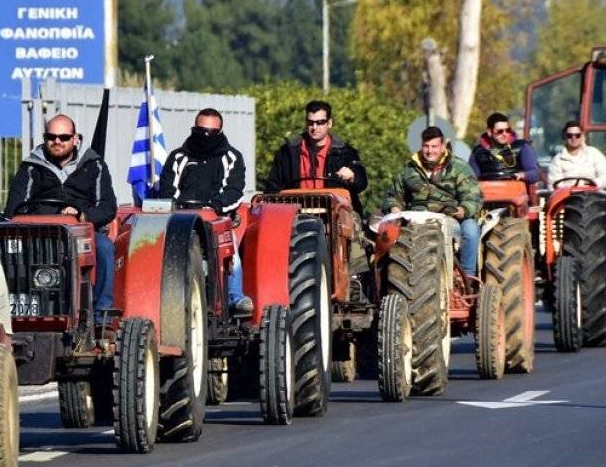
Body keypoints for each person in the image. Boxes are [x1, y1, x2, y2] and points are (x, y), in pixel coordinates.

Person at [4, 114, 117, 318]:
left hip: (81, 233)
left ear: (75, 139)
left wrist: (83, 215)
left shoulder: (94, 165)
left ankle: (102, 315)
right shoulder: (30, 167)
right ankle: (14, 309)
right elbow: (14, 209)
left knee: (104, 247)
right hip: (39, 233)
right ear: (45, 138)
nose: (57, 141)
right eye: (51, 136)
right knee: (8, 250)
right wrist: (47, 214)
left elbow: (107, 208)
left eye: (64, 137)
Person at [160, 108, 254, 316]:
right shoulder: (178, 157)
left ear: (220, 133)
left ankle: (234, 297)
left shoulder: (231, 158)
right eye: (200, 131)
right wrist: (179, 206)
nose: (205, 138)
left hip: (217, 221)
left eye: (211, 133)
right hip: (181, 221)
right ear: (193, 129)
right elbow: (167, 189)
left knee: (231, 252)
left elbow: (233, 191)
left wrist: (213, 207)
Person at [264, 99, 370, 275]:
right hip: (297, 214)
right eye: (310, 122)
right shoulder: (288, 151)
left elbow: (361, 181)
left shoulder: (344, 151)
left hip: (333, 213)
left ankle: (355, 277)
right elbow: (272, 186)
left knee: (353, 224)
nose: (315, 127)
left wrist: (351, 176)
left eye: (320, 122)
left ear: (329, 123)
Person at [384, 126, 482, 276]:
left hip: (451, 216)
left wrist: (462, 210)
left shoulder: (459, 167)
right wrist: (395, 210)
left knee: (471, 230)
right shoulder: (409, 169)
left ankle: (468, 276)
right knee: (385, 229)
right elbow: (394, 196)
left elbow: (472, 197)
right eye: (426, 146)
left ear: (443, 146)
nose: (430, 151)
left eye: (434, 146)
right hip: (416, 218)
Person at [468, 112, 540, 184]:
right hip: (487, 192)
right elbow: (471, 178)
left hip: (515, 191)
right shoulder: (478, 152)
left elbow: (534, 174)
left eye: (507, 130)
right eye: (500, 131)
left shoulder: (522, 147)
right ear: (490, 132)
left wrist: (524, 175)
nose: (505, 134)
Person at [547, 120, 606, 189]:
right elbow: (553, 184)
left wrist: (593, 184)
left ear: (582, 136)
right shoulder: (557, 161)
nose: (574, 138)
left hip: (593, 196)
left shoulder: (594, 154)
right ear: (565, 137)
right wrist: (572, 189)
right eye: (570, 135)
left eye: (577, 135)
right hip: (568, 198)